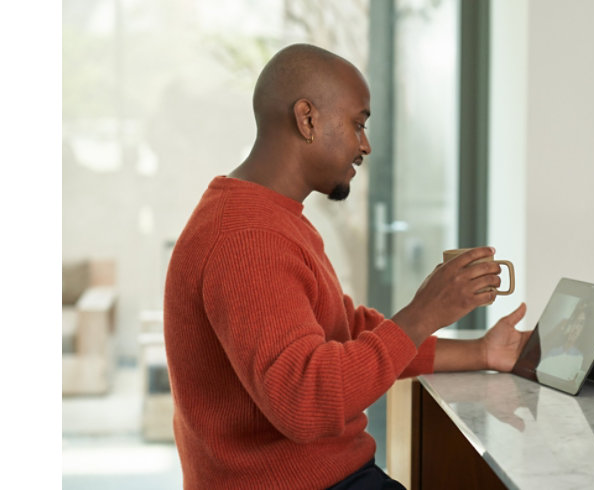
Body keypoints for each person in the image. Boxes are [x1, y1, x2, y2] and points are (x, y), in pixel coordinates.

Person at [163, 43, 532, 490]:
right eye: (358, 124)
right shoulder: (248, 238)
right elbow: (304, 401)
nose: (365, 145)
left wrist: (483, 352)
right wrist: (424, 312)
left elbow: (346, 330)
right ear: (308, 119)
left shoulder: (271, 218)